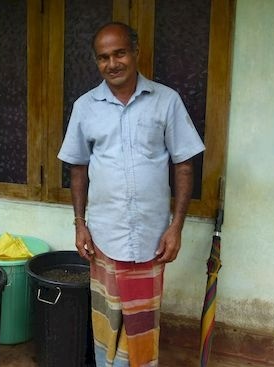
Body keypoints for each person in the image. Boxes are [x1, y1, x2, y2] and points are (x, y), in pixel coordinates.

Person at [58, 22, 205, 367]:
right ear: (97, 62)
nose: (112, 63)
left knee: (141, 321)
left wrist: (176, 226)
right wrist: (80, 224)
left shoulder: (166, 101)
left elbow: (184, 165)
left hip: (151, 236)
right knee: (108, 318)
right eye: (103, 57)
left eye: (120, 53)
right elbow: (77, 168)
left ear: (136, 51)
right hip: (104, 234)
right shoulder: (85, 106)